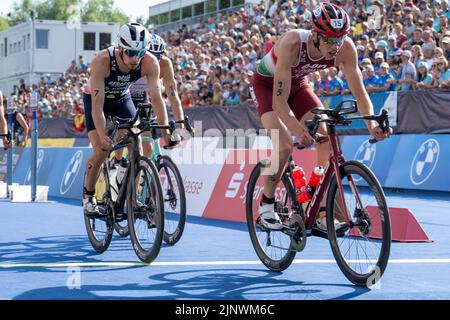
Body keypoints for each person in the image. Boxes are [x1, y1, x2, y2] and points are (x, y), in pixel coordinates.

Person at [250, 2, 390, 232]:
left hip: (298, 85)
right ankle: (266, 203)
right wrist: (298, 131)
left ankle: (321, 210)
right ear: (314, 34)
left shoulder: (346, 49)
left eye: (340, 39)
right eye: (329, 40)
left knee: (326, 138)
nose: (335, 46)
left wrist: (371, 124)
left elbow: (360, 92)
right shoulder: (292, 43)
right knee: (284, 145)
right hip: (266, 88)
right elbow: (279, 102)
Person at [82, 23, 171, 215]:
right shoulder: (102, 61)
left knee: (136, 142)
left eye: (139, 53)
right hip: (97, 101)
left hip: (122, 98)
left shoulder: (149, 62)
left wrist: (166, 131)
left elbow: (156, 98)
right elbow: (97, 106)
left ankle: (128, 192)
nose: (134, 58)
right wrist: (102, 133)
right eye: (130, 52)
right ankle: (89, 197)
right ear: (120, 48)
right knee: (101, 150)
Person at [128, 33, 187, 158]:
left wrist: (181, 125)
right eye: (151, 55)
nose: (154, 60)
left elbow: (173, 96)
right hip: (126, 96)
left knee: (147, 147)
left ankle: (140, 169)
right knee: (131, 137)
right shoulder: (133, 61)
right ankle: (118, 163)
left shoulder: (165, 64)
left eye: (158, 56)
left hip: (144, 98)